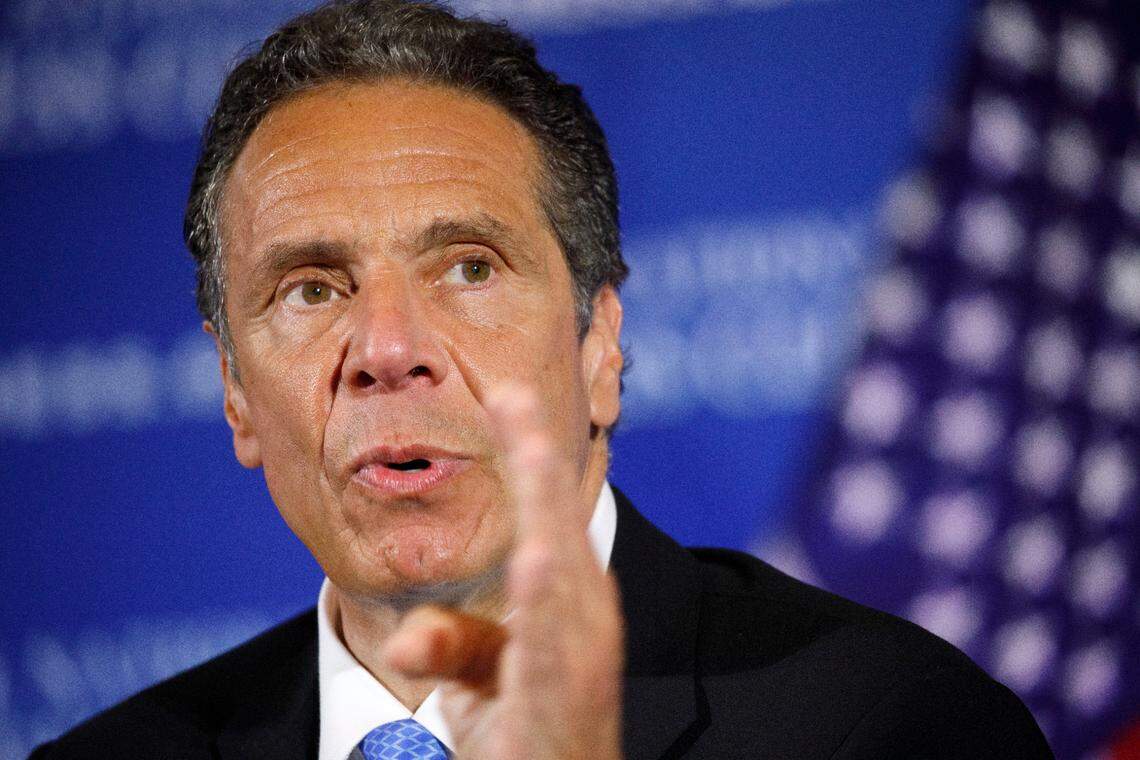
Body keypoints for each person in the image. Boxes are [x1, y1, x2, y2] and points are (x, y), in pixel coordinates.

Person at [30, 1, 1053, 758]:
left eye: (469, 267)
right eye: (310, 289)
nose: (388, 347)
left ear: (598, 348)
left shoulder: (886, 728)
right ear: (235, 392)